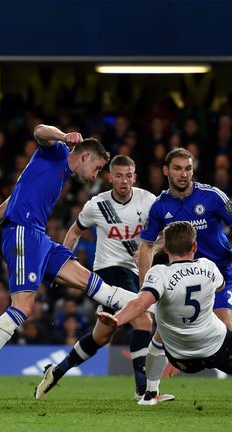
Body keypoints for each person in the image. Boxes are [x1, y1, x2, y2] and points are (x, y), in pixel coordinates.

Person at [0, 124, 144, 407]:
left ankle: (152, 303)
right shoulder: (56, 152)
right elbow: (39, 130)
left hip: (39, 238)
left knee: (90, 282)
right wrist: (65, 136)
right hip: (23, 233)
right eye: (98, 168)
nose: (95, 177)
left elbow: (2, 208)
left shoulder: (57, 175)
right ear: (85, 156)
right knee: (23, 306)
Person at [98, 221, 232, 415]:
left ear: (165, 248)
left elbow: (140, 304)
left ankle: (150, 392)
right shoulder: (209, 267)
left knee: (161, 328)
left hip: (179, 357)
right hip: (218, 347)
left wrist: (117, 320)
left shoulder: (158, 274)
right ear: (194, 247)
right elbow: (222, 286)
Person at [35, 155, 174, 403]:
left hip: (133, 273)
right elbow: (75, 230)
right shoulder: (97, 205)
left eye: (128, 175)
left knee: (102, 336)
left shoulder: (149, 201)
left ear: (135, 177)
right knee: (143, 318)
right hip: (108, 270)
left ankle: (56, 371)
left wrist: (152, 248)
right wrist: (63, 263)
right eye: (118, 175)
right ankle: (143, 390)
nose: (124, 181)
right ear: (110, 177)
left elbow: (166, 235)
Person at [136, 148, 232, 404]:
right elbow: (146, 246)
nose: (184, 174)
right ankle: (151, 393)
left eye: (188, 168)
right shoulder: (159, 206)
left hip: (218, 272)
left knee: (225, 325)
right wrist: (145, 287)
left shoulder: (211, 196)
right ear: (166, 171)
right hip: (180, 276)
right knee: (162, 331)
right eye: (178, 168)